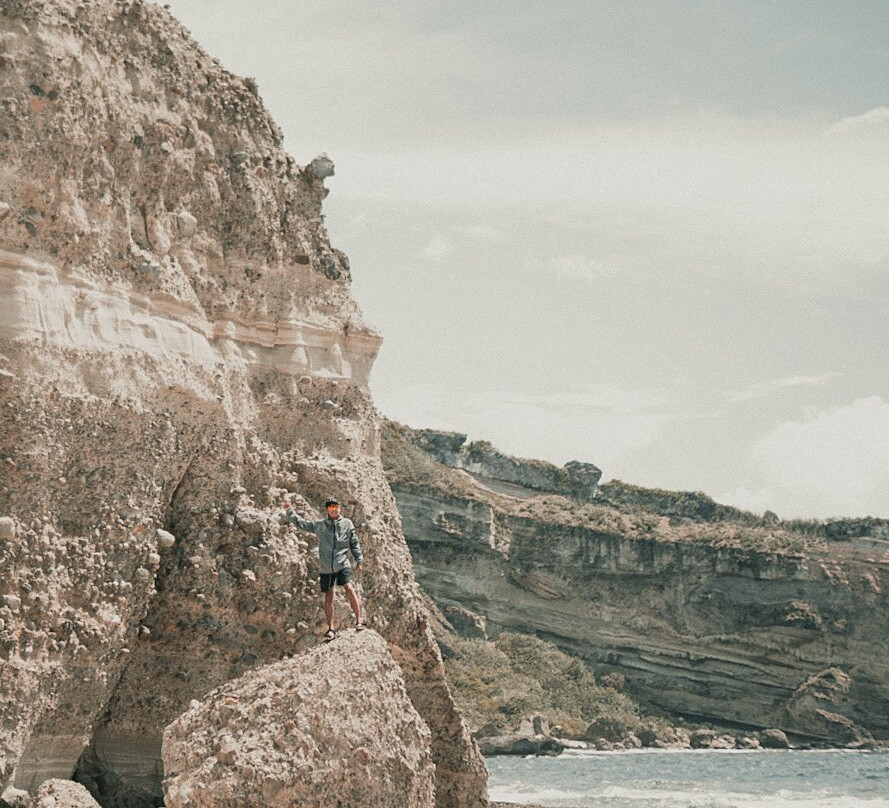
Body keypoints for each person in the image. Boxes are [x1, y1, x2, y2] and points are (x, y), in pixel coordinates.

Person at [284, 497, 365, 641]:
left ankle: (359, 621)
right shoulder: (320, 525)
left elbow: (354, 542)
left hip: (342, 563)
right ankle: (331, 629)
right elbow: (302, 524)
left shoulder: (347, 524)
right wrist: (290, 511)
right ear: (327, 510)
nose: (333, 509)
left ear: (339, 508)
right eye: (330, 507)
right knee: (329, 595)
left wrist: (359, 559)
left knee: (348, 587)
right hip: (326, 566)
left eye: (335, 506)